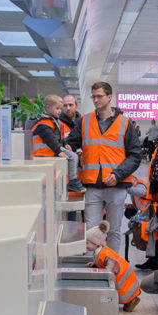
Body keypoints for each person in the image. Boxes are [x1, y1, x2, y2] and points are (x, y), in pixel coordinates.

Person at [66, 81, 142, 251]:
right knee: (91, 231)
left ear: (109, 97)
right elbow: (70, 143)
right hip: (92, 185)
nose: (96, 100)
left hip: (117, 185)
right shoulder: (85, 121)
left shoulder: (125, 123)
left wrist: (118, 174)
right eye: (93, 96)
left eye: (99, 96)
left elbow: (135, 155)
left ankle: (112, 265)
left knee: (114, 230)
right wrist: (68, 149)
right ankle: (94, 264)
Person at [31, 94, 85, 193]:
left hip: (50, 158)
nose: (60, 111)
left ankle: (73, 181)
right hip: (43, 156)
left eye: (60, 108)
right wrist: (58, 150)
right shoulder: (44, 123)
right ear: (48, 108)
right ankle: (73, 181)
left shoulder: (55, 122)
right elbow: (50, 138)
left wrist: (65, 144)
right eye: (58, 108)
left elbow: (58, 138)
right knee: (73, 157)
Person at [84, 221, 140, 311]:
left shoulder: (104, 253)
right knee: (124, 291)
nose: (86, 245)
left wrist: (105, 272)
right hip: (123, 270)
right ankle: (130, 301)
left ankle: (133, 301)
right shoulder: (100, 250)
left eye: (88, 243)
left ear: (96, 243)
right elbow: (102, 261)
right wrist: (95, 263)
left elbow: (111, 265)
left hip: (122, 274)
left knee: (124, 290)